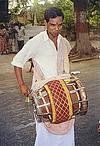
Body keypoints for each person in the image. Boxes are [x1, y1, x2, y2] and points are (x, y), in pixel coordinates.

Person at [11, 7, 75, 146]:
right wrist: (22, 84)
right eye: (52, 25)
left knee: (67, 130)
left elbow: (65, 58)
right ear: (45, 23)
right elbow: (17, 61)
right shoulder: (36, 42)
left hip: (64, 93)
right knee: (45, 132)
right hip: (44, 95)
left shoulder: (64, 42)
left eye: (59, 25)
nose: (56, 28)